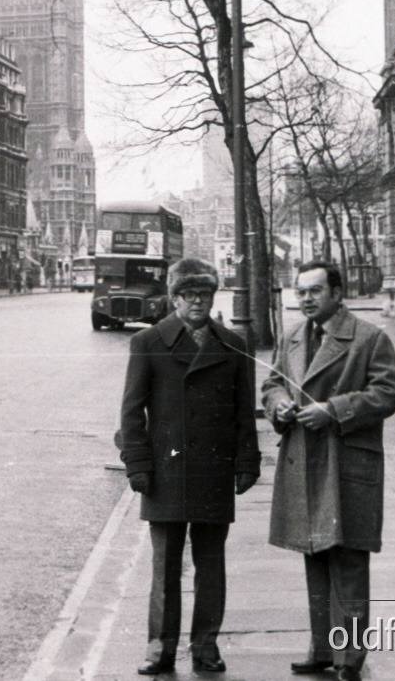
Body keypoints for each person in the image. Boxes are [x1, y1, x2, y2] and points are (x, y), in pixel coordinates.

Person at [117, 256, 260, 675]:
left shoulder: (233, 344)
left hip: (214, 470)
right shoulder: (148, 342)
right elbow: (131, 412)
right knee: (165, 565)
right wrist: (138, 464)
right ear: (174, 298)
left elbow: (242, 411)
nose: (197, 302)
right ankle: (159, 649)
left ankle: (206, 647)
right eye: (188, 294)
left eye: (205, 294)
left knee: (211, 564)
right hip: (166, 472)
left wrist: (246, 462)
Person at [263, 261, 395, 681]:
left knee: (348, 559)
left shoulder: (369, 337)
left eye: (315, 291)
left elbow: (389, 393)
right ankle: (322, 648)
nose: (305, 298)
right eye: (300, 291)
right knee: (315, 554)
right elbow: (271, 384)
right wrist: (279, 405)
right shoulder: (290, 337)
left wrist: (335, 410)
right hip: (304, 459)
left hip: (346, 462)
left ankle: (350, 658)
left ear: (337, 293)